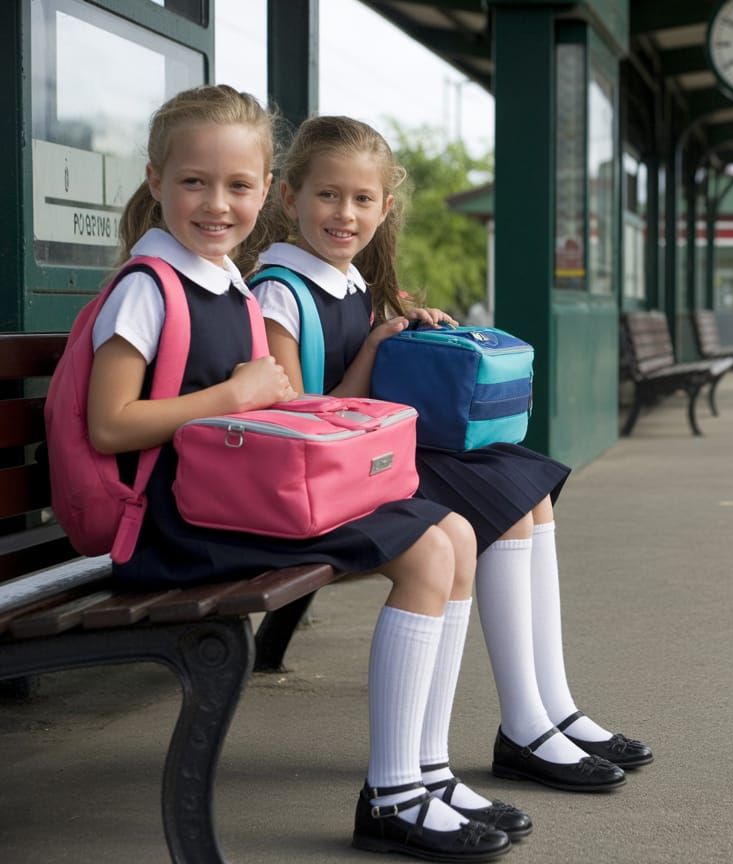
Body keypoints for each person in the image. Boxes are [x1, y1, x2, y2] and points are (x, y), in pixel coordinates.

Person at [85, 84, 512, 862]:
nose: (218, 204)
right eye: (194, 183)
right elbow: (110, 423)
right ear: (156, 182)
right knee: (426, 551)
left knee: (452, 533)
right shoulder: (147, 290)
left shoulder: (228, 285)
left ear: (262, 195)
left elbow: (271, 414)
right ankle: (391, 796)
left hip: (228, 501)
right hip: (170, 526)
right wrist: (232, 395)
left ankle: (428, 771)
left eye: (237, 186)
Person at [250, 115, 652, 796]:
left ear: (385, 207)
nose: (344, 213)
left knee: (528, 489)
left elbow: (368, 396)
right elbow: (304, 424)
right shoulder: (279, 293)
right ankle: (526, 725)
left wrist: (411, 337)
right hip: (325, 476)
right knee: (506, 504)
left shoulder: (350, 284)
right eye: (327, 195)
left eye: (362, 199)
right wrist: (379, 350)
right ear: (289, 199)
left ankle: (550, 706)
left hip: (362, 462)